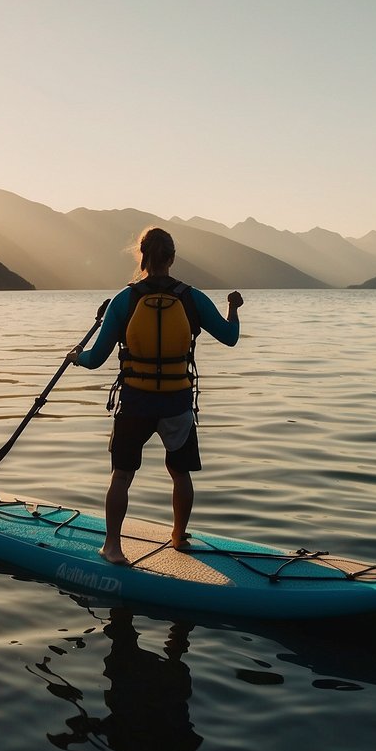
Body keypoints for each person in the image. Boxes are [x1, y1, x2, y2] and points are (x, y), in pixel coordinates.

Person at [67, 227, 243, 565]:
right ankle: (178, 537)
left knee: (122, 474)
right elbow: (230, 337)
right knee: (180, 472)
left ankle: (113, 548)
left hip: (136, 401)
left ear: (141, 256)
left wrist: (77, 356)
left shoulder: (125, 299)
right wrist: (233, 307)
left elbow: (96, 359)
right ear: (172, 258)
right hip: (176, 402)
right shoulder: (192, 298)